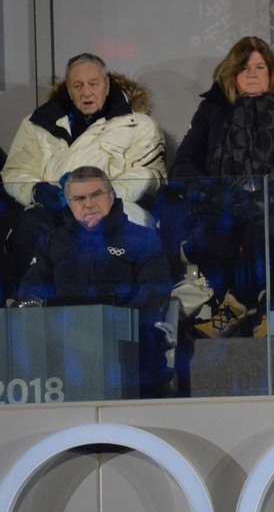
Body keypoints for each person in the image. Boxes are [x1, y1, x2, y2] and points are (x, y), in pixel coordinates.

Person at [170, 35, 274, 336]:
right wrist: (216, 196)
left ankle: (246, 308)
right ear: (231, 75)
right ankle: (259, 310)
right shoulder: (211, 110)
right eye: (244, 68)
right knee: (226, 235)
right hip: (223, 209)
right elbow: (182, 167)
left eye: (260, 67)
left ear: (272, 72)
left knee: (265, 232)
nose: (253, 74)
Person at [2, 53, 165, 298]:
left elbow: (150, 174)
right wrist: (36, 190)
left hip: (112, 209)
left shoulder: (138, 125)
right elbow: (16, 171)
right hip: (51, 209)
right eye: (78, 85)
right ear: (68, 89)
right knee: (29, 230)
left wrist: (96, 193)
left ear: (107, 84)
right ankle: (30, 310)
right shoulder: (36, 125)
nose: (86, 92)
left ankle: (117, 314)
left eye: (93, 83)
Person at [17, 166, 173, 397]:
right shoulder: (52, 241)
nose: (88, 204)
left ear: (111, 195)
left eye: (95, 194)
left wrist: (112, 328)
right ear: (69, 204)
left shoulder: (142, 238)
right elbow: (30, 289)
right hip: (62, 343)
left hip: (126, 344)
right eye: (79, 198)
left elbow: (154, 293)